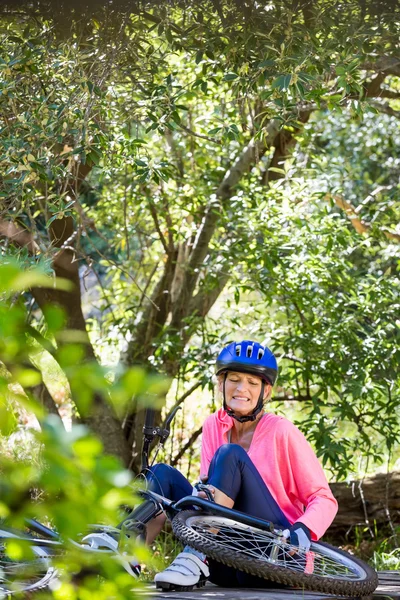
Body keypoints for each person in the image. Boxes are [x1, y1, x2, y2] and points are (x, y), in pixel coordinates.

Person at [142, 340, 338, 590]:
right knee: (161, 475)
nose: (241, 388)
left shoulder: (281, 431)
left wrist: (304, 528)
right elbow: (209, 493)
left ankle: (194, 554)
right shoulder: (214, 424)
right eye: (234, 379)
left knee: (230, 455)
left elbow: (324, 498)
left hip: (273, 557)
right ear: (221, 384)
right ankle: (124, 558)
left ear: (265, 392)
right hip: (225, 561)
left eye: (252, 383)